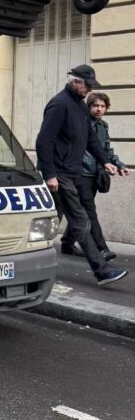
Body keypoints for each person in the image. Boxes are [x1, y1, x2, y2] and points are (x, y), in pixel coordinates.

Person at [35, 64, 126, 287]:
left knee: (50, 220)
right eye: (87, 86)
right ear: (75, 82)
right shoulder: (59, 105)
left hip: (72, 172)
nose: (89, 90)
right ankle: (102, 271)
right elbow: (43, 141)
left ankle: (27, 260)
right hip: (60, 173)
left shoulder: (79, 106)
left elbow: (91, 139)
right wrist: (50, 174)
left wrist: (105, 160)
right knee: (80, 220)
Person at [60, 90, 131, 261]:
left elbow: (106, 150)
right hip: (80, 173)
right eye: (95, 105)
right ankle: (102, 248)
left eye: (102, 106)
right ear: (89, 107)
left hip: (95, 174)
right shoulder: (81, 123)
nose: (99, 109)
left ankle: (67, 243)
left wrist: (119, 165)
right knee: (90, 211)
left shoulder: (103, 126)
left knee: (81, 209)